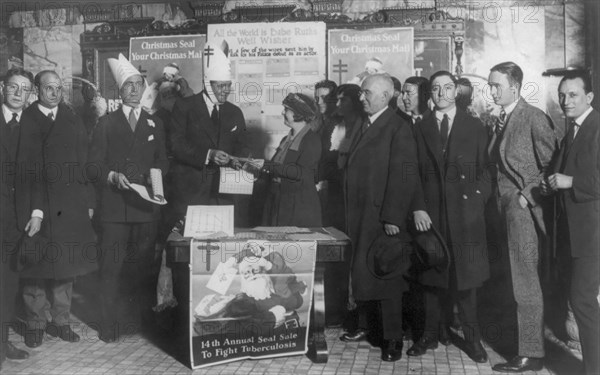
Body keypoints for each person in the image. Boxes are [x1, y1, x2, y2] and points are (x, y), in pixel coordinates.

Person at [407, 71, 490, 363]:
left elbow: (486, 170)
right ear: (429, 94)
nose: (441, 93)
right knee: (431, 276)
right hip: (431, 215)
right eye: (436, 89)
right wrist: (418, 207)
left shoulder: (475, 126)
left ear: (456, 92)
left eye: (447, 88)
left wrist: (478, 200)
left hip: (466, 215)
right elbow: (412, 171)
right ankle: (428, 336)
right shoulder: (421, 127)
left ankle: (473, 340)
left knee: (467, 281)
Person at [89, 54, 169, 343]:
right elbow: (93, 165)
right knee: (111, 268)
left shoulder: (154, 123)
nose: (135, 90)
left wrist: (154, 180)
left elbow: (163, 161)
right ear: (119, 90)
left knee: (142, 267)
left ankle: (137, 322)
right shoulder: (106, 123)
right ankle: (108, 324)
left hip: (146, 207)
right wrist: (111, 176)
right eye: (129, 85)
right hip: (114, 209)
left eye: (139, 84)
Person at [340, 74, 418, 362]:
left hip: (382, 217)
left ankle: (392, 339)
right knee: (362, 271)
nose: (361, 98)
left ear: (386, 97)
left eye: (367, 93)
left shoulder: (398, 127)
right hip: (359, 215)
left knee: (386, 277)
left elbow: (404, 176)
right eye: (361, 93)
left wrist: (393, 217)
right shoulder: (364, 123)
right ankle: (364, 326)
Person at [19, 70, 97, 348]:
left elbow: (84, 162)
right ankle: (35, 323)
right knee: (36, 266)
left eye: (58, 88)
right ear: (37, 90)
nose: (55, 93)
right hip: (36, 203)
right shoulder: (27, 119)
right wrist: (34, 209)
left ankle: (61, 321)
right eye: (48, 88)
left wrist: (88, 201)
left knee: (67, 264)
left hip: (70, 203)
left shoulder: (71, 117)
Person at [488, 62, 557, 373]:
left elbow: (552, 165)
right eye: (490, 85)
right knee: (513, 282)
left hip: (524, 213)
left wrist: (525, 195)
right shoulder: (501, 119)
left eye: (496, 86)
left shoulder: (533, 117)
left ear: (514, 87)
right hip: (505, 212)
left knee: (525, 283)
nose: (491, 91)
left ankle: (532, 353)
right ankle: (521, 346)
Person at [541, 70, 599, 375]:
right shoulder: (572, 131)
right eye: (562, 95)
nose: (566, 101)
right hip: (573, 234)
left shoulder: (597, 127)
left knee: (583, 301)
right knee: (581, 302)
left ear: (589, 97)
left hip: (592, 234)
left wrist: (569, 181)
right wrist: (552, 183)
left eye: (573, 95)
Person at [169, 41, 248, 225]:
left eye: (228, 85)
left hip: (225, 194)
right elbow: (175, 144)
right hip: (192, 192)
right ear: (207, 84)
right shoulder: (185, 107)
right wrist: (208, 154)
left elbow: (243, 145)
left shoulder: (234, 112)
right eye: (220, 86)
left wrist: (239, 159)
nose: (225, 91)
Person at [0, 68, 40, 366]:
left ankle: (1, 346)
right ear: (3, 87)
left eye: (24, 89)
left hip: (15, 223)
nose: (18, 93)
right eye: (14, 87)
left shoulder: (32, 125)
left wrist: (37, 212)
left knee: (8, 286)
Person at [259, 93, 322, 227]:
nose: (283, 112)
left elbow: (300, 173)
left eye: (286, 109)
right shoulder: (285, 140)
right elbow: (276, 167)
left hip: (298, 207)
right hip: (278, 202)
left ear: (298, 113)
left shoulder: (312, 141)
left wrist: (266, 165)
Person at [314, 79, 344, 230]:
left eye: (324, 98)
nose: (319, 102)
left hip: (332, 190)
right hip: (317, 189)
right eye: (317, 98)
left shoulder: (341, 124)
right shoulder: (317, 123)